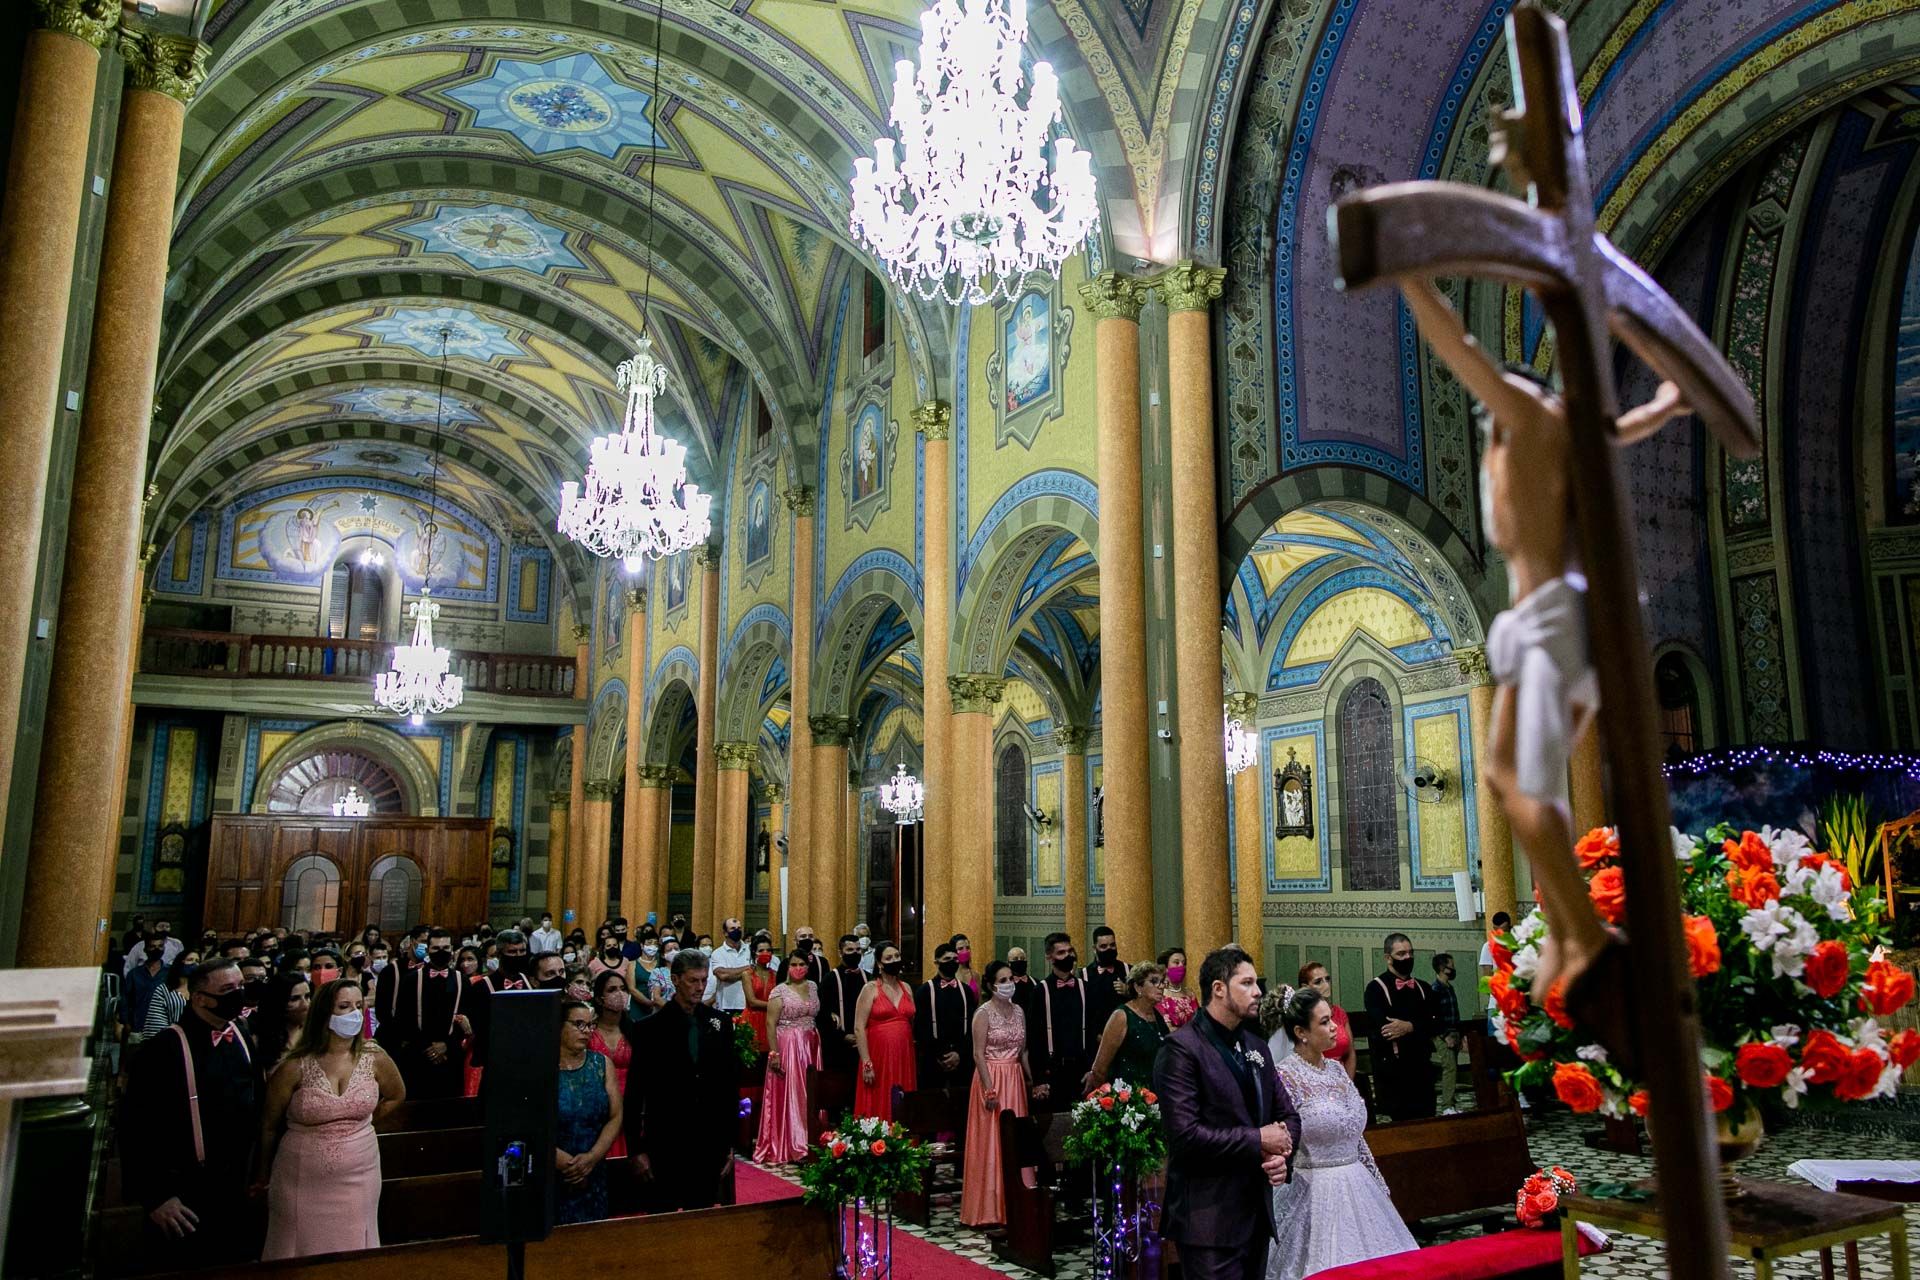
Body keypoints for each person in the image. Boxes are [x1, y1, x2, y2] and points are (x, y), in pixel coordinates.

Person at [1156, 945, 1300, 1280]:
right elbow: (1185, 1137)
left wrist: (1281, 1156)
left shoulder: (1256, 1047)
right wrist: (1258, 1139)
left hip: (1255, 1211)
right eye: (1247, 983)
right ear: (1219, 989)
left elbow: (1288, 1115)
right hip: (1208, 1220)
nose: (1258, 991)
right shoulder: (1181, 1050)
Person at [118, 959, 265, 1266]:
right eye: (227, 990)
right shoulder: (164, 1048)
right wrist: (156, 1197)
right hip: (186, 1191)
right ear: (200, 998)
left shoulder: (240, 1033)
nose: (238, 994)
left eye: (240, 986)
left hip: (237, 1183)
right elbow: (135, 1128)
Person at [1266, 988, 1417, 1280]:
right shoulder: (1284, 1076)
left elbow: (1355, 1135)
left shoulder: (1336, 1070)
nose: (1335, 1026)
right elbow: (1281, 1138)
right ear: (1301, 1032)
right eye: (1324, 1022)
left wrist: (1376, 1181)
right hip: (1314, 1190)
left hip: (1359, 1185)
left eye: (1332, 1019)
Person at [258, 979, 404, 1259]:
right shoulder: (295, 1065)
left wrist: (362, 1124)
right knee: (299, 1247)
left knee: (354, 1247)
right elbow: (268, 1123)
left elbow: (397, 1095)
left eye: (359, 1006)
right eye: (344, 1007)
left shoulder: (374, 1056)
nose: (353, 1013)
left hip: (360, 1171)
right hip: (302, 1175)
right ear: (325, 1012)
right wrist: (262, 1172)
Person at [626, 950, 742, 1211]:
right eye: (693, 981)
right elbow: (634, 1094)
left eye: (703, 980)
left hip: (708, 1144)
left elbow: (728, 1087)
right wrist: (636, 1149)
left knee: (700, 1223)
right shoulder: (650, 1029)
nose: (700, 988)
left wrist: (728, 1144)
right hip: (665, 1143)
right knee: (663, 1223)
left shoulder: (719, 1023)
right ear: (675, 980)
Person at [961, 961, 1038, 1227]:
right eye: (1002, 980)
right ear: (992, 985)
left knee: (1016, 1138)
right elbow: (977, 1053)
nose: (1008, 984)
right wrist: (988, 1087)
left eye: (1010, 979)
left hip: (1014, 1079)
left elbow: (1023, 1051)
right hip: (992, 1077)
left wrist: (1031, 1079)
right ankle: (991, 1207)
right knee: (993, 1139)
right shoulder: (983, 1013)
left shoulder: (1019, 1012)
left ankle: (1018, 1201)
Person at [553, 1000, 623, 1225]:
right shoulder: (542, 1067)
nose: (586, 1031)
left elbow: (615, 1116)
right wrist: (564, 1162)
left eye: (590, 1025)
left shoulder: (601, 1064)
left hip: (594, 1168)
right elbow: (530, 1123)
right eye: (578, 1024)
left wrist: (592, 1158)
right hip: (554, 1169)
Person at [753, 950, 821, 1165]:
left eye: (802, 964)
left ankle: (812, 1139)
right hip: (789, 1045)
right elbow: (770, 1024)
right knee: (794, 1091)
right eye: (794, 964)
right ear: (787, 967)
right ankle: (794, 1143)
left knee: (812, 1092)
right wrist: (774, 1053)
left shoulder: (812, 987)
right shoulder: (779, 991)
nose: (798, 968)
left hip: (811, 1044)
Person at [1363, 934, 1436, 1122]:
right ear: (1388, 958)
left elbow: (1434, 1023)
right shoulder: (1376, 989)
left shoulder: (1424, 988)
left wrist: (1410, 1026)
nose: (1407, 958)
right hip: (1394, 1072)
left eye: (1410, 953)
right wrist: (1419, 1025)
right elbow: (1386, 1029)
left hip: (1422, 1069)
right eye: (1401, 954)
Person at [400, 928, 471, 1098]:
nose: (441, 952)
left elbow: (467, 1016)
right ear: (428, 950)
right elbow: (403, 1019)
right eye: (436, 948)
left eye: (446, 948)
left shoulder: (463, 980)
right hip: (418, 1055)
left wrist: (446, 1045)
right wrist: (428, 1048)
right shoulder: (411, 980)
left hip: (451, 1056)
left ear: (452, 950)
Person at [853, 941, 917, 1120]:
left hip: (904, 1055)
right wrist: (867, 1063)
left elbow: (910, 1022)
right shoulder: (870, 989)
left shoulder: (907, 988)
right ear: (880, 964)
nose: (895, 960)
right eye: (889, 958)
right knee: (881, 1095)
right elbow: (859, 1027)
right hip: (878, 1056)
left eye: (897, 956)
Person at [1028, 932, 1091, 1104]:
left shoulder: (1084, 988)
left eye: (1069, 951)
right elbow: (1034, 1038)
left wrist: (1093, 1069)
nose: (1068, 956)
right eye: (1061, 953)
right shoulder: (1040, 991)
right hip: (1053, 1070)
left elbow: (1092, 1031)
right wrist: (1039, 1079)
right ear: (1050, 957)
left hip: (1082, 1070)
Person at [1085, 962, 1170, 1090]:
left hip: (1156, 1093)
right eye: (1154, 981)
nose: (1161, 986)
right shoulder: (1122, 1016)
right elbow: (1099, 1069)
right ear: (1138, 987)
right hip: (1128, 1098)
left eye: (1162, 982)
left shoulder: (1157, 1016)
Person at [915, 939, 976, 1093]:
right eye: (947, 959)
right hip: (933, 1060)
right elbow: (921, 1028)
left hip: (962, 1060)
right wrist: (940, 1055)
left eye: (955, 959)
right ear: (937, 962)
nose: (952, 962)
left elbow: (971, 1026)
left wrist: (959, 1053)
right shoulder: (924, 991)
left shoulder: (966, 991)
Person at [1290, 964, 1355, 1077]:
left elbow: (1350, 1053)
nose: (1325, 984)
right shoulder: (1301, 1017)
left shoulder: (1339, 1012)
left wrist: (1348, 1084)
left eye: (1327, 979)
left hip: (1342, 1078)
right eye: (1318, 981)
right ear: (1305, 987)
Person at [817, 933, 869, 1072]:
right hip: (838, 1046)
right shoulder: (830, 979)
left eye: (858, 950)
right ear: (840, 953)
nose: (855, 953)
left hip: (865, 1043)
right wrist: (843, 1036)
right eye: (850, 950)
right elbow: (822, 1014)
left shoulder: (868, 979)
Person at [123, 935, 173, 1049]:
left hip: (162, 1028)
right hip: (138, 1027)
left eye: (160, 946)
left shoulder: (171, 973)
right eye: (152, 946)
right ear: (145, 949)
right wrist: (126, 1023)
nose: (157, 949)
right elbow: (125, 1000)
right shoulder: (134, 974)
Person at [1081, 925, 1129, 1038]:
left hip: (1125, 1036)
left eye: (1112, 945)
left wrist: (1129, 991)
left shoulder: (1128, 970)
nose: (1109, 949)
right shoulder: (1084, 975)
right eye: (1103, 946)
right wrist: (1095, 1034)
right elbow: (1084, 1012)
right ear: (1094, 949)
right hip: (1095, 1038)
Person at [254, 972, 312, 1068]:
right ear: (277, 1003)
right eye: (294, 999)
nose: (305, 1005)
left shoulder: (317, 1034)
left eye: (307, 996)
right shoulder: (257, 1041)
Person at [1430, 954, 1463, 1113]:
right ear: (1443, 968)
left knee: (1454, 1067)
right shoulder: (1435, 989)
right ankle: (1447, 1106)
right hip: (1443, 1035)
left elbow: (1454, 1013)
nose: (1454, 969)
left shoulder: (1449, 987)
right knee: (1449, 1068)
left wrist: (1459, 1034)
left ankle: (1452, 1103)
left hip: (1454, 1033)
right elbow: (1435, 1017)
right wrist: (1445, 1035)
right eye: (1451, 965)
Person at [706, 917, 754, 1013]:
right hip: (726, 1004)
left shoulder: (750, 949)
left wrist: (730, 972)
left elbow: (756, 973)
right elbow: (723, 976)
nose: (737, 931)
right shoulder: (717, 953)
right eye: (733, 928)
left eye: (739, 928)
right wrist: (749, 968)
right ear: (725, 933)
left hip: (747, 1003)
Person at [140, 958, 195, 1040]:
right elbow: (155, 1026)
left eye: (197, 961)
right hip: (171, 1041)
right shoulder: (163, 990)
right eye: (190, 960)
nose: (194, 964)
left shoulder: (203, 990)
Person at [742, 935, 779, 1053]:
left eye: (768, 950)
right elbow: (752, 1002)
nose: (766, 953)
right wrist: (775, 1006)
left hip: (771, 1020)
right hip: (752, 1019)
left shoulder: (776, 974)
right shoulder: (747, 974)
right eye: (761, 950)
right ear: (754, 953)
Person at [1157, 947, 1199, 1029]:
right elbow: (1167, 1029)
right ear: (1165, 968)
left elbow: (1199, 1022)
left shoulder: (1190, 994)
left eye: (1184, 963)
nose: (1181, 966)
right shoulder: (1159, 995)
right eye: (1176, 962)